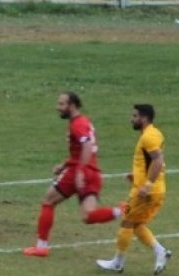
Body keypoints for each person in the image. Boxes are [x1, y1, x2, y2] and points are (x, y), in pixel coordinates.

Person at [23, 92, 124, 258]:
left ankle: (41, 247)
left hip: (79, 172)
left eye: (62, 104)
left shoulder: (77, 124)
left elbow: (87, 145)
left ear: (72, 106)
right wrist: (64, 165)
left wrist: (78, 172)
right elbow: (82, 150)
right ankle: (120, 211)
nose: (58, 108)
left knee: (48, 201)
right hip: (93, 173)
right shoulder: (84, 122)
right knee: (87, 216)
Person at [97, 104, 172, 274]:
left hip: (148, 192)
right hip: (156, 189)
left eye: (135, 116)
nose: (132, 119)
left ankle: (118, 263)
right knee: (137, 224)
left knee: (127, 221)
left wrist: (147, 185)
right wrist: (137, 176)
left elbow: (158, 161)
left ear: (144, 118)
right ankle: (161, 252)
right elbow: (151, 161)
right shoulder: (154, 133)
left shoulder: (148, 137)